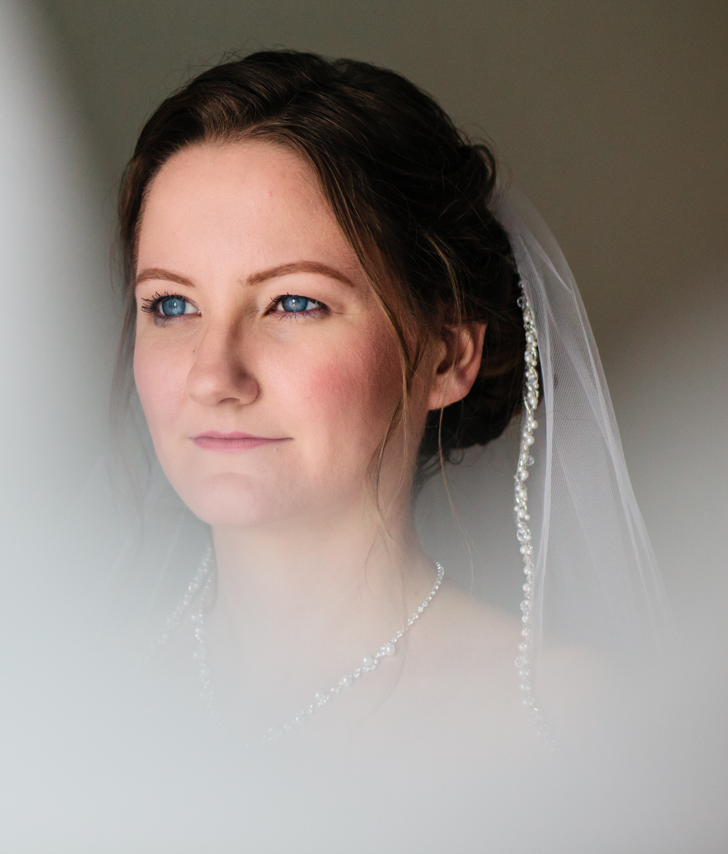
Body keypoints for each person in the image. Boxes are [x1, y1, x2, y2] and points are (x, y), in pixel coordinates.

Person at [120, 52, 667, 754]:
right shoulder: (53, 703)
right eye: (171, 304)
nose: (214, 375)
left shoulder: (574, 728)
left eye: (294, 302)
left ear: (447, 355)